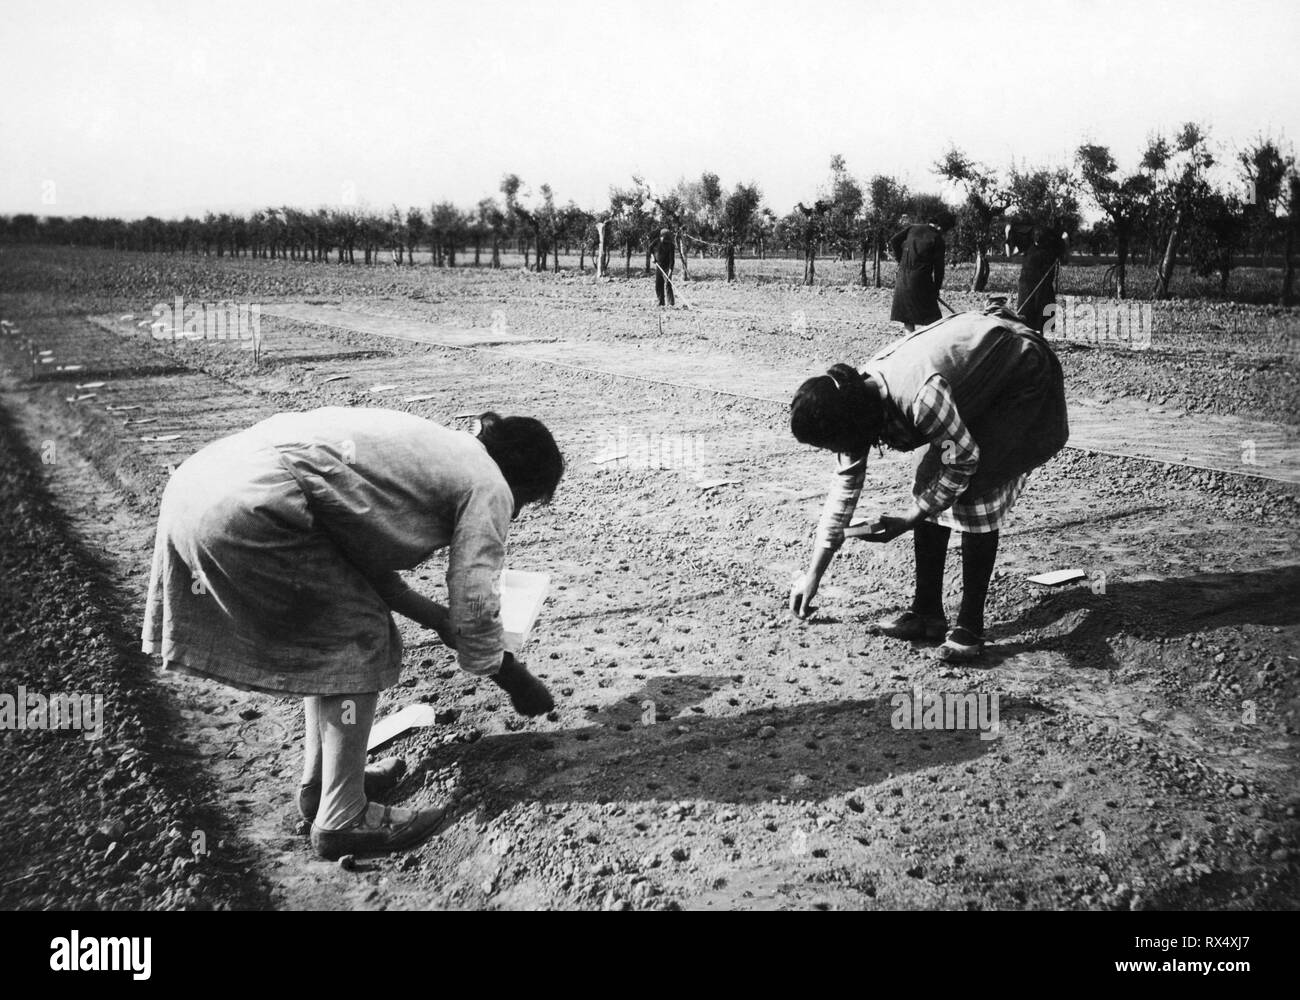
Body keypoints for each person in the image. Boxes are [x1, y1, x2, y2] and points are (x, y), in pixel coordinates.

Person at [142, 407, 564, 859]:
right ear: (521, 480)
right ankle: (344, 818)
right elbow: (475, 595)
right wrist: (507, 673)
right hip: (253, 505)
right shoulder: (489, 483)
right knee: (358, 639)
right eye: (526, 502)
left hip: (202, 486)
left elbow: (363, 565)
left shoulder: (435, 452)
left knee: (334, 637)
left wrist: (439, 621)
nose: (515, 514)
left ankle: (323, 787)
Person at [787, 306, 1069, 660]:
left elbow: (963, 460)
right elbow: (845, 488)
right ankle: (927, 613)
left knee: (976, 490)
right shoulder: (854, 398)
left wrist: (909, 520)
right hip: (972, 378)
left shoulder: (920, 398)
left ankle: (971, 626)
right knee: (928, 482)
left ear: (851, 426)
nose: (836, 452)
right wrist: (813, 574)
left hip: (1017, 374)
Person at [889, 210, 955, 332]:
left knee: (907, 318)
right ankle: (927, 347)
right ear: (941, 227)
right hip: (920, 281)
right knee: (934, 321)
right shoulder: (937, 239)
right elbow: (939, 269)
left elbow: (894, 240)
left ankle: (909, 343)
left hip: (902, 279)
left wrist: (901, 261)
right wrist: (936, 290)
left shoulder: (912, 228)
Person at [1007, 222, 1070, 333]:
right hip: (1027, 285)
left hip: (1044, 285)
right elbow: (1009, 254)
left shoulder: (1051, 247)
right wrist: (1007, 235)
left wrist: (1066, 243)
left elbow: (1064, 260)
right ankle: (1027, 337)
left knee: (1044, 318)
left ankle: (1042, 338)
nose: (1038, 240)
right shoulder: (1027, 244)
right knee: (1025, 317)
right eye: (1036, 238)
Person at [649, 227, 676, 306]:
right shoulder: (656, 242)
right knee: (658, 284)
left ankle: (670, 303)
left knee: (668, 284)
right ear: (661, 236)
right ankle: (661, 302)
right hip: (659, 266)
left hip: (667, 267)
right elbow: (649, 249)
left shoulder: (671, 245)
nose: (666, 239)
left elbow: (672, 259)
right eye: (664, 237)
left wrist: (670, 271)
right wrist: (652, 257)